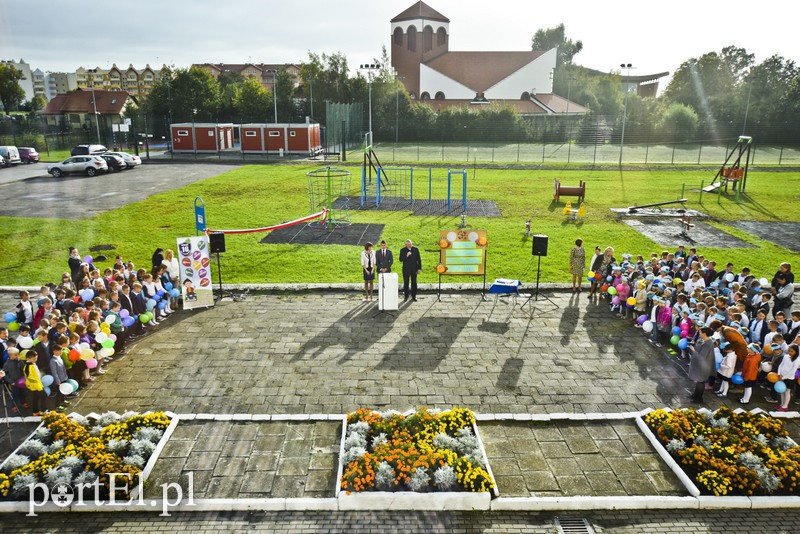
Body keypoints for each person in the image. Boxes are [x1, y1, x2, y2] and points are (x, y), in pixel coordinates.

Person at [687, 327, 715, 403]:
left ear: (705, 333)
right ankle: (695, 395)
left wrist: (693, 350)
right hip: (699, 365)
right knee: (698, 381)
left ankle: (699, 398)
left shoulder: (708, 343)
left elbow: (702, 357)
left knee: (700, 382)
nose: (699, 334)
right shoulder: (703, 340)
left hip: (702, 366)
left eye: (700, 332)